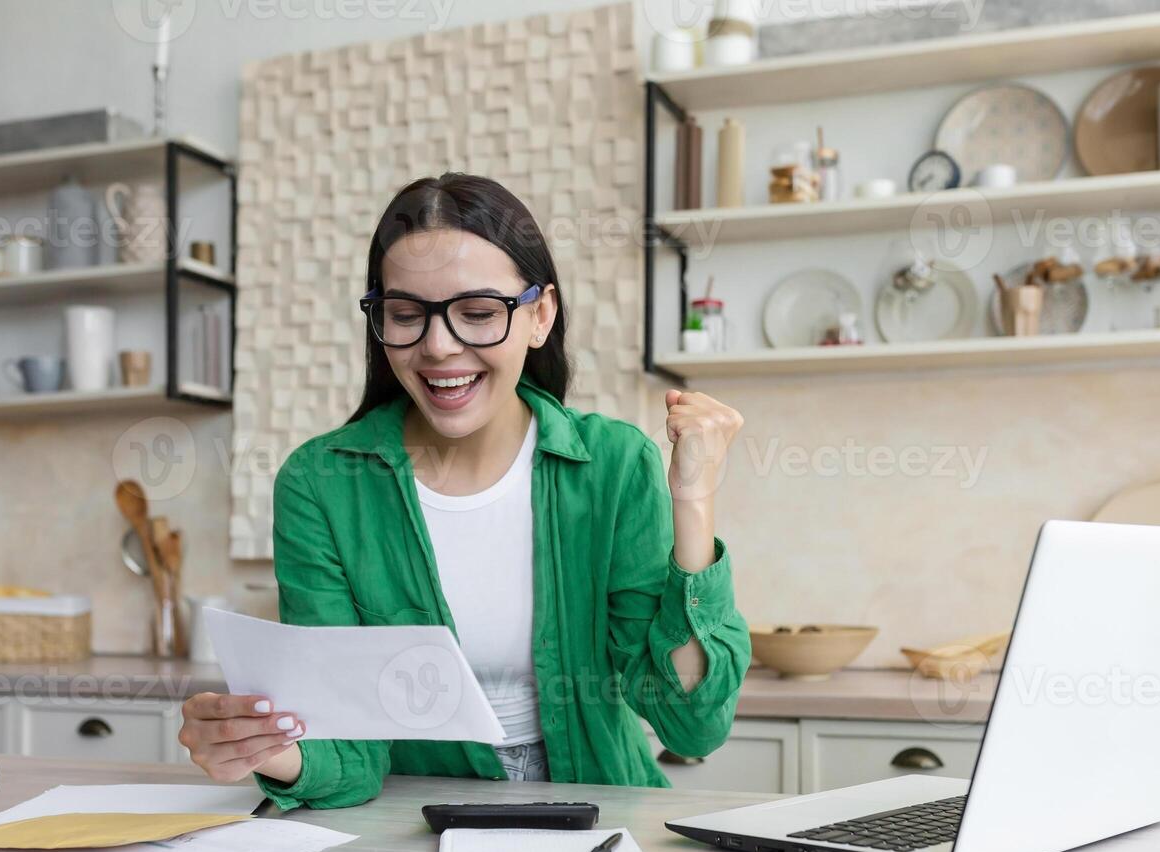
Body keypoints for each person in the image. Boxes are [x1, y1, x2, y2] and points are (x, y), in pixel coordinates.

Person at [179, 172, 750, 809]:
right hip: (419, 829)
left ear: (541, 315)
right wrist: (264, 747)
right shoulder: (321, 486)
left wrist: (694, 500)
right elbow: (352, 753)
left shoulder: (614, 466)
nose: (440, 347)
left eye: (478, 313)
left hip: (603, 819)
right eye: (406, 316)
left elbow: (692, 723)